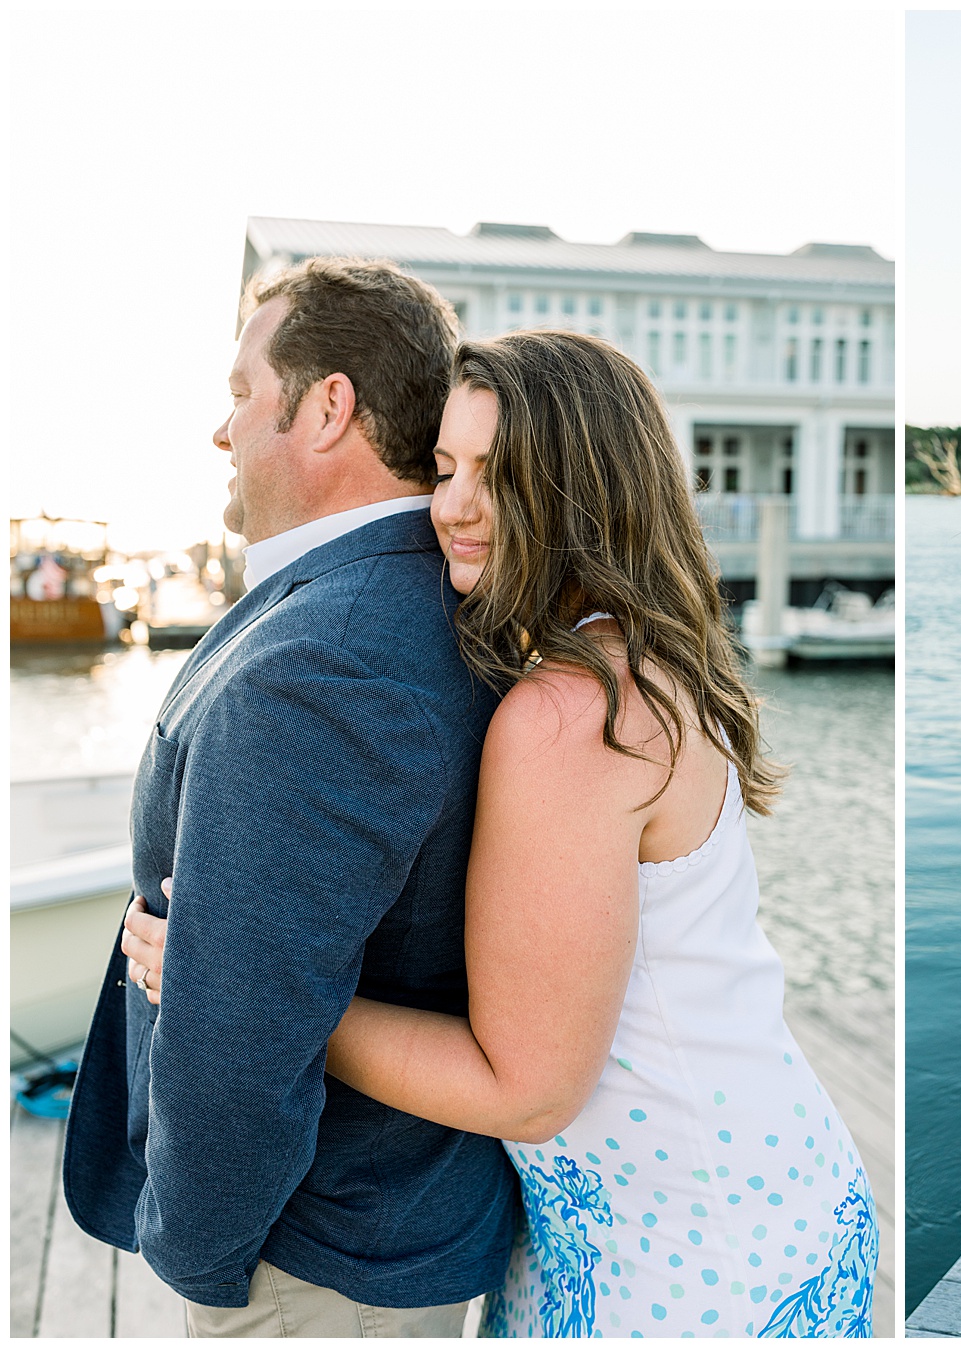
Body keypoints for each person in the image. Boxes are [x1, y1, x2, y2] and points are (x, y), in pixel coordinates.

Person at [123, 328, 879, 1338]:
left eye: (502, 473)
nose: (455, 506)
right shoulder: (640, 662)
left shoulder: (570, 714)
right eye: (446, 469)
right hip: (731, 1189)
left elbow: (524, 1092)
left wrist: (238, 981)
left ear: (590, 490)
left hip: (687, 1245)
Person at [63, 257, 519, 1336]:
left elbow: (245, 1028)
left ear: (328, 408)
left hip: (309, 1264)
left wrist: (196, 1257)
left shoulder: (330, 656)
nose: (221, 431)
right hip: (347, 1241)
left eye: (240, 393)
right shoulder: (377, 599)